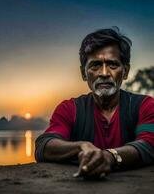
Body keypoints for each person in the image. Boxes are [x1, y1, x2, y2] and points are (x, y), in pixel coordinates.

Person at [35, 27, 154, 179]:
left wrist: (110, 156)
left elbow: (149, 143)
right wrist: (81, 147)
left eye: (113, 64)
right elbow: (44, 145)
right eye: (95, 65)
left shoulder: (145, 105)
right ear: (83, 73)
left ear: (125, 71)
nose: (104, 73)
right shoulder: (69, 109)